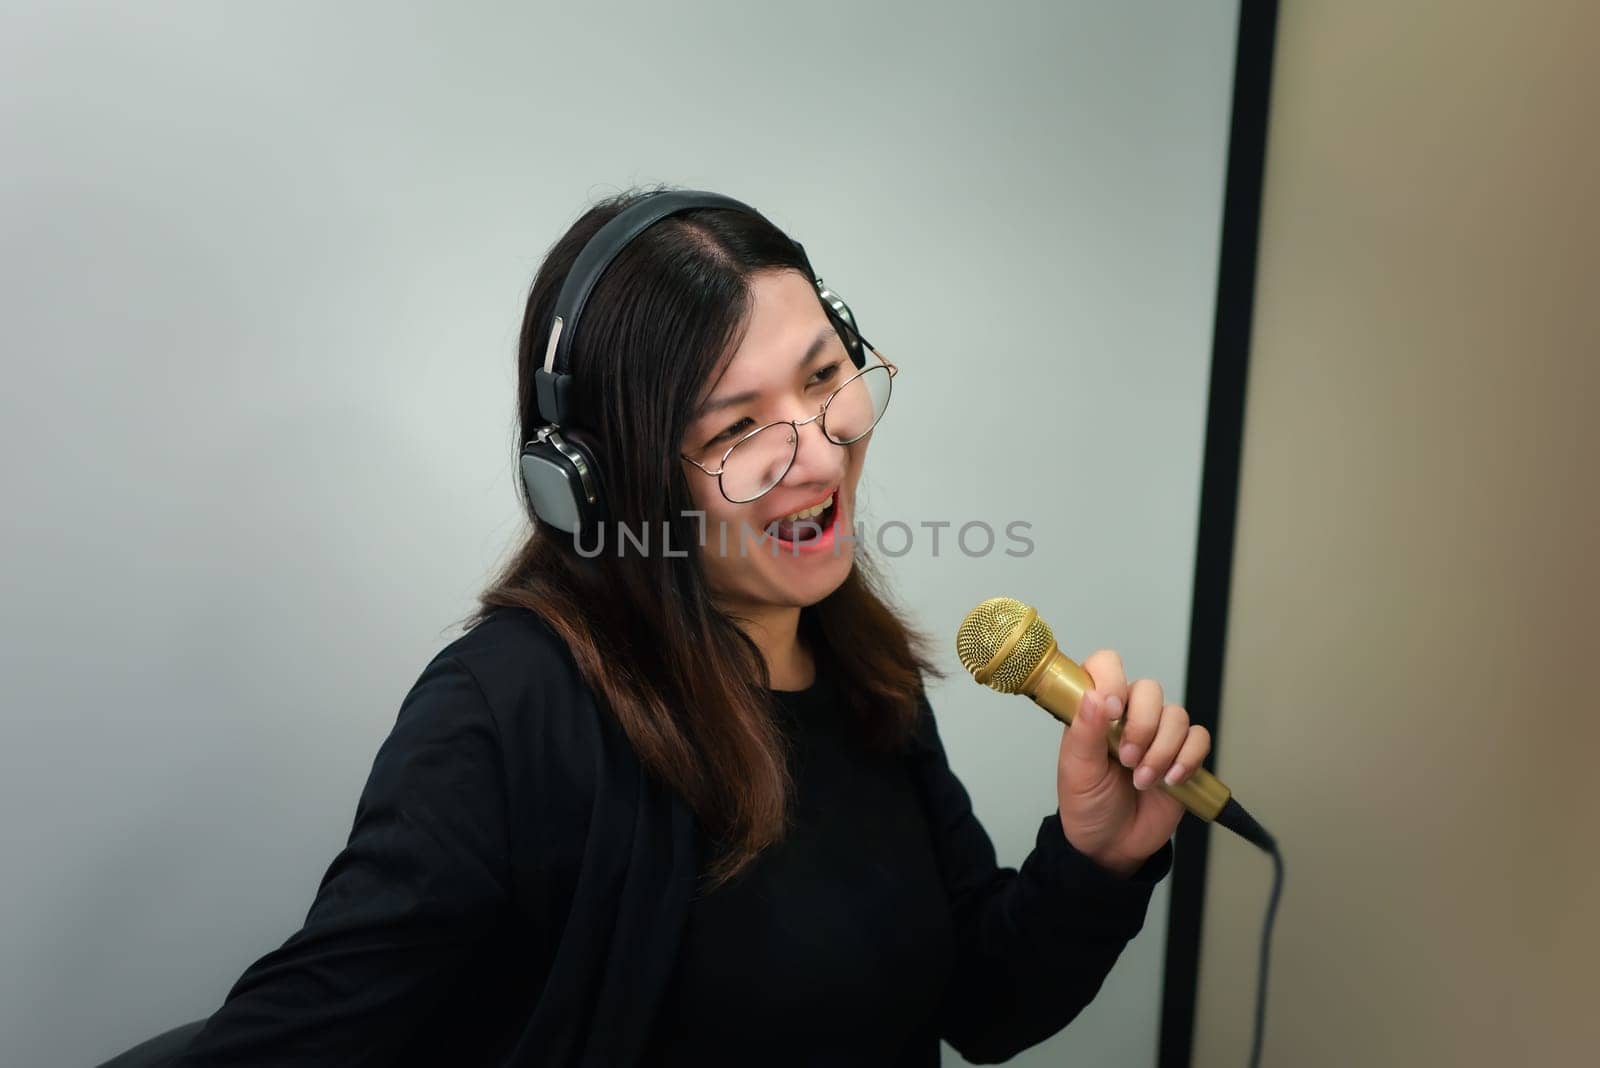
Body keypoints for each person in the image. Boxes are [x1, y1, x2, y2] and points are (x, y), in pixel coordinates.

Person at [169, 187, 1211, 1066]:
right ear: (609, 485)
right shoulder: (504, 714)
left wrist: (1094, 860)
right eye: (738, 426)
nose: (816, 448)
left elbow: (980, 1007)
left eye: (820, 377)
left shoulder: (850, 662)